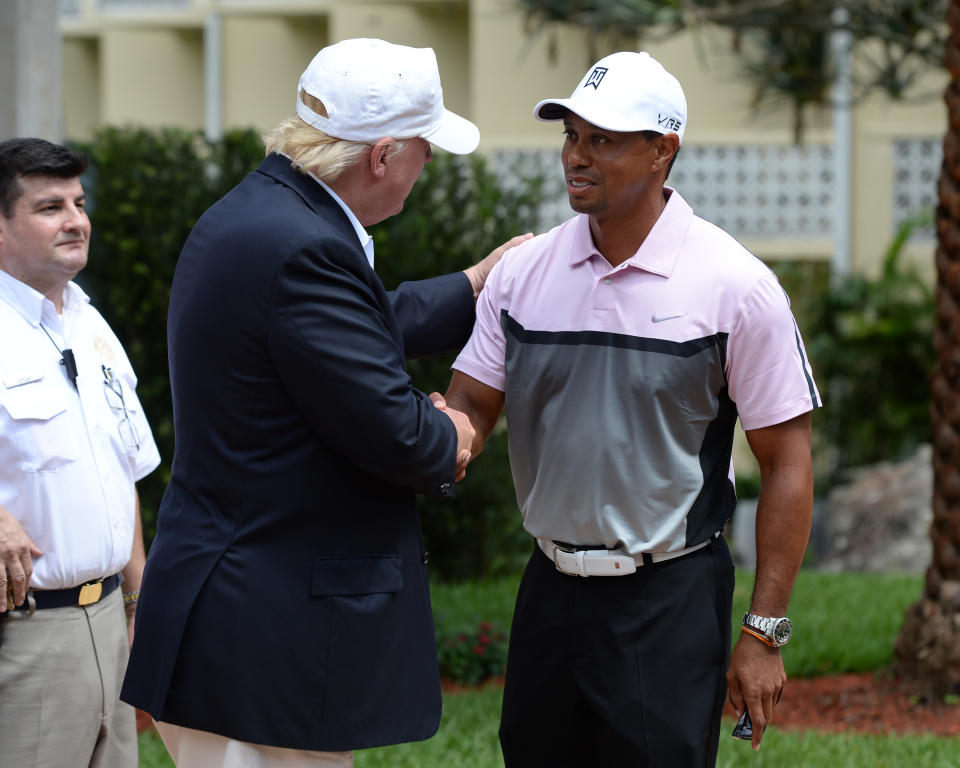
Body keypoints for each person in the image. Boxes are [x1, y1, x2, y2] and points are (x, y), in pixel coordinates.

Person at [120, 38, 529, 767]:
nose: (427, 167)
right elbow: (404, 439)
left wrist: (474, 283)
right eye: (425, 150)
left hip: (230, 614)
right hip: (266, 641)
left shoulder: (259, 213)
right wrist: (458, 427)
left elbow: (346, 329)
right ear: (382, 155)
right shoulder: (307, 248)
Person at [442, 51, 821, 766]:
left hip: (669, 600)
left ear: (662, 150)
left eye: (603, 140)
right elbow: (471, 402)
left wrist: (763, 632)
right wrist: (438, 436)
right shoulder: (523, 274)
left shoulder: (737, 287)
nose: (577, 157)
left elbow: (788, 463)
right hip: (547, 590)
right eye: (572, 136)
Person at [0, 138, 161, 767]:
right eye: (49, 207)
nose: (76, 220)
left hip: (108, 629)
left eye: (79, 202)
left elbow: (120, 473)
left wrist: (139, 597)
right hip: (25, 636)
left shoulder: (91, 324)